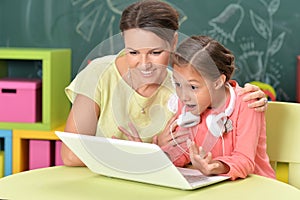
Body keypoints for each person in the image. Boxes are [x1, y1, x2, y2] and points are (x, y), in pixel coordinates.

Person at [61, 0, 268, 167]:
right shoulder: (99, 74)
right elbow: (71, 155)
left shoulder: (181, 89)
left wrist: (250, 96)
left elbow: (218, 100)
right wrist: (153, 150)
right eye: (133, 52)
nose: (144, 64)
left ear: (174, 42)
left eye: (155, 52)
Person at [163, 35, 275, 180]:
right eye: (177, 84)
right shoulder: (186, 104)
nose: (184, 96)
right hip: (213, 185)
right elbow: (183, 149)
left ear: (217, 82)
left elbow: (244, 161)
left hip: (255, 185)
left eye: (193, 87)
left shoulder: (248, 103)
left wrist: (214, 166)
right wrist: (164, 155)